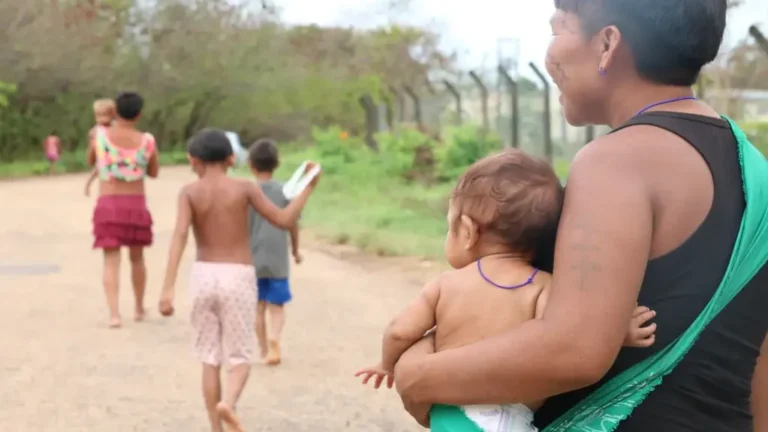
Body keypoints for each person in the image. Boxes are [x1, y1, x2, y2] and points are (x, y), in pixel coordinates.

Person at [392, 1, 768, 431]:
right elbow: (757, 357)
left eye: (557, 31)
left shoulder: (616, 160)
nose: (549, 58)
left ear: (607, 43)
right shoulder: (754, 170)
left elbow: (574, 350)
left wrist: (416, 375)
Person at [355, 150, 657, 431]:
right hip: (511, 417)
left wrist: (387, 363)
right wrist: (618, 334)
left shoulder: (445, 285)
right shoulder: (543, 288)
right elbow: (569, 340)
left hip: (451, 408)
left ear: (469, 232)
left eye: (450, 227)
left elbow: (399, 331)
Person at [157, 129, 319, 432]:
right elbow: (284, 220)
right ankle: (228, 404)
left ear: (193, 160)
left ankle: (215, 428)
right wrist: (307, 188)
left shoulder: (189, 192)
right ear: (232, 159)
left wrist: (167, 288)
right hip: (238, 275)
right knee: (239, 357)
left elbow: (179, 235)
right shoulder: (245, 188)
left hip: (204, 275)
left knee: (209, 357)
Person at [87, 92, 158, 328]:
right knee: (137, 258)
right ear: (139, 114)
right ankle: (138, 308)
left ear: (115, 111)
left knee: (111, 260)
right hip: (136, 204)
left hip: (108, 203)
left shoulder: (100, 136)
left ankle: (115, 315)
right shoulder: (147, 140)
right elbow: (154, 172)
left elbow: (91, 161)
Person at [247, 139, 303, 366]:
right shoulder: (283, 192)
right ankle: (275, 339)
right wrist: (296, 251)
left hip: (252, 257)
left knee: (257, 306)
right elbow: (292, 224)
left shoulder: (246, 192)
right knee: (276, 305)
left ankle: (262, 347)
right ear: (277, 164)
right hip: (278, 257)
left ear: (251, 165)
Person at [85, 99, 116, 197]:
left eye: (105, 115)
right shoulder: (96, 129)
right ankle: (88, 185)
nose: (102, 119)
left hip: (114, 157)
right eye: (98, 115)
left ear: (113, 115)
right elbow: (91, 158)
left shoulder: (115, 127)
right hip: (102, 157)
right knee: (97, 168)